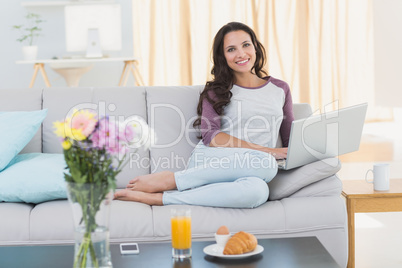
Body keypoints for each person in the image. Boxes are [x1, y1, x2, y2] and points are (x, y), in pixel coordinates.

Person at [114, 22, 294, 208]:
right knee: (267, 163)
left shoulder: (280, 89)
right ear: (223, 56)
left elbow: (291, 139)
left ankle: (161, 198)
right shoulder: (216, 90)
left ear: (256, 46)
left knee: (259, 192)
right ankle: (172, 180)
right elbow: (211, 136)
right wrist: (269, 152)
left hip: (252, 170)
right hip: (213, 161)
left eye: (246, 45)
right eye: (231, 49)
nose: (241, 54)